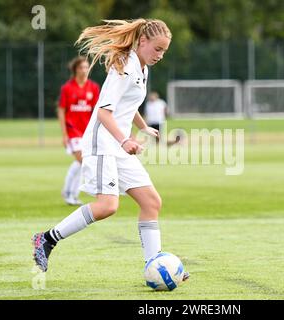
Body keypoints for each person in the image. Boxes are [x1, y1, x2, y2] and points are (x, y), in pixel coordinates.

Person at [32, 18, 189, 282]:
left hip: (116, 144)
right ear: (142, 41)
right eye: (158, 49)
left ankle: (155, 264)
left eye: (164, 51)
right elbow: (104, 113)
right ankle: (46, 239)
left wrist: (144, 126)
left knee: (151, 202)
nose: (160, 55)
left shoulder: (142, 67)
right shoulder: (125, 66)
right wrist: (125, 140)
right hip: (102, 141)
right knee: (107, 206)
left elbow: (127, 105)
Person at [57, 56, 100, 205]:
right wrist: (64, 134)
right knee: (82, 160)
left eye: (87, 67)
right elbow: (61, 110)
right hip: (73, 130)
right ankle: (69, 193)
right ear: (75, 69)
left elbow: (97, 110)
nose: (84, 70)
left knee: (83, 162)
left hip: (87, 131)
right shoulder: (67, 88)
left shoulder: (93, 87)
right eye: (81, 67)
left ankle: (71, 194)